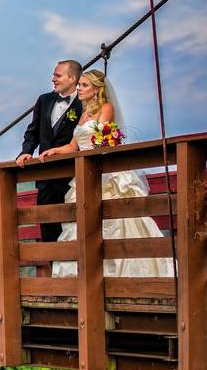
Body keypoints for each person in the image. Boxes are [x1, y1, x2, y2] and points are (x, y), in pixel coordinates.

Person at [38, 69, 174, 278]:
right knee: (83, 221)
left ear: (96, 89)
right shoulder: (83, 114)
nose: (80, 89)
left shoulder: (106, 108)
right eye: (79, 85)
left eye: (84, 85)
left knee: (117, 219)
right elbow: (74, 146)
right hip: (84, 172)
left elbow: (101, 140)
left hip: (103, 174)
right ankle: (88, 274)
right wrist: (55, 150)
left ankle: (122, 271)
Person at [16, 60, 84, 242]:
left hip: (72, 176)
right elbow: (33, 131)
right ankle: (54, 269)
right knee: (47, 227)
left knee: (73, 227)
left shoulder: (84, 103)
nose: (53, 79)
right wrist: (26, 151)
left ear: (72, 78)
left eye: (58, 75)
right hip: (45, 176)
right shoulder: (43, 100)